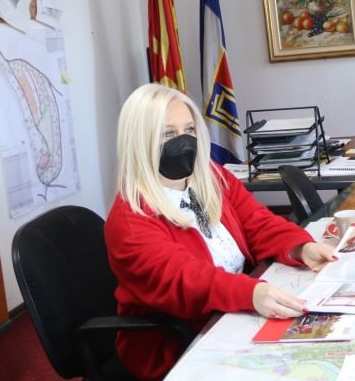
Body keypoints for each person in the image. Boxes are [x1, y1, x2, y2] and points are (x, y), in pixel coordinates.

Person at [104, 84, 338, 380]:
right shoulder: (130, 218)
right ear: (140, 141)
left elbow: (257, 222)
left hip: (235, 311)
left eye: (189, 129)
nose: (184, 141)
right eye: (168, 134)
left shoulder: (212, 176)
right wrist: (250, 293)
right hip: (179, 342)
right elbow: (185, 279)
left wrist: (300, 247)